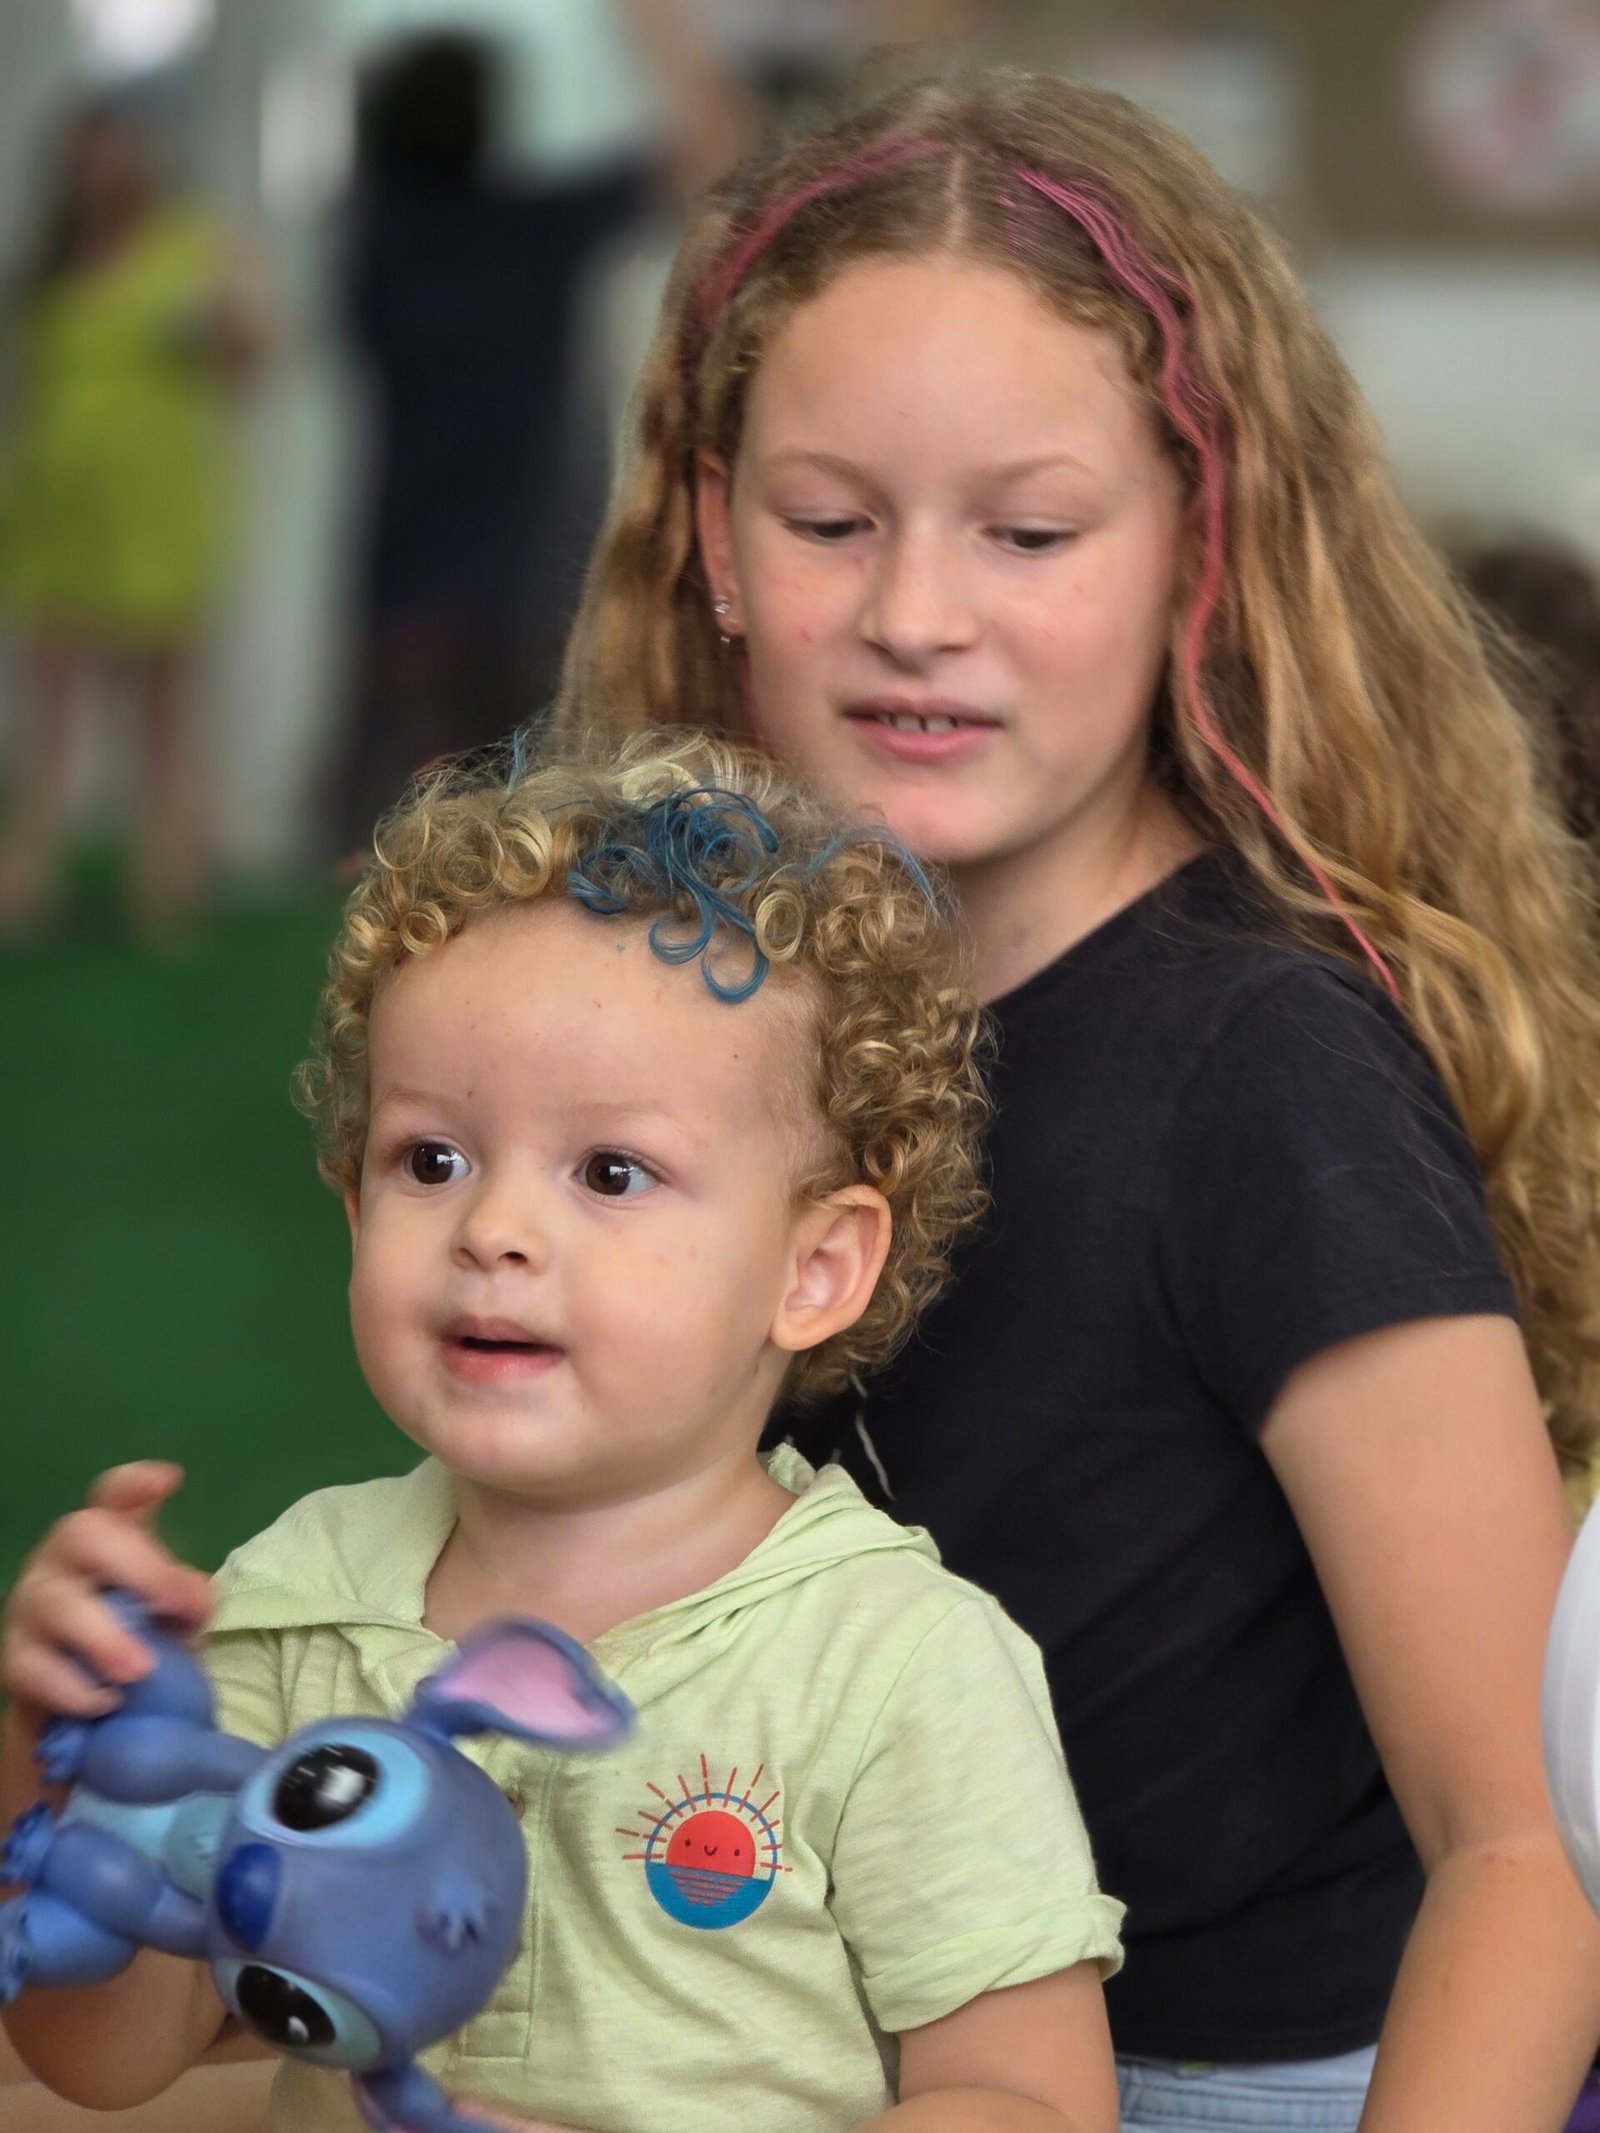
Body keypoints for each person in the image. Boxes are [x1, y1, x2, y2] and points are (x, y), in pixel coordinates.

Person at [553, 66, 1600, 2133]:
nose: (915, 614)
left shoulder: (1263, 1068)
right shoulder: (693, 1009)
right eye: (830, 522)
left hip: (1234, 2080)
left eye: (1026, 532)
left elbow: (1523, 1846)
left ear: (1200, 545)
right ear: (714, 536)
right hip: (811, 2033)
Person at [0, 731, 1125, 2133]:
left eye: (610, 1171)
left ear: (813, 1268)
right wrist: (66, 1760)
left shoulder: (894, 1662)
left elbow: (1032, 2102)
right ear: (353, 1205)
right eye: (431, 1159)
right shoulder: (295, 1602)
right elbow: (106, 2061)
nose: (495, 1229)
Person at [0, 96, 271, 939]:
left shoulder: (194, 249)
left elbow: (250, 358)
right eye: (88, 154)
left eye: (116, 150)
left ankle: (168, 873)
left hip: (157, 497)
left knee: (164, 697)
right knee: (50, 692)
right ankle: (31, 864)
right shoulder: (52, 262)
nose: (102, 171)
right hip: (57, 500)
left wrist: (220, 321)